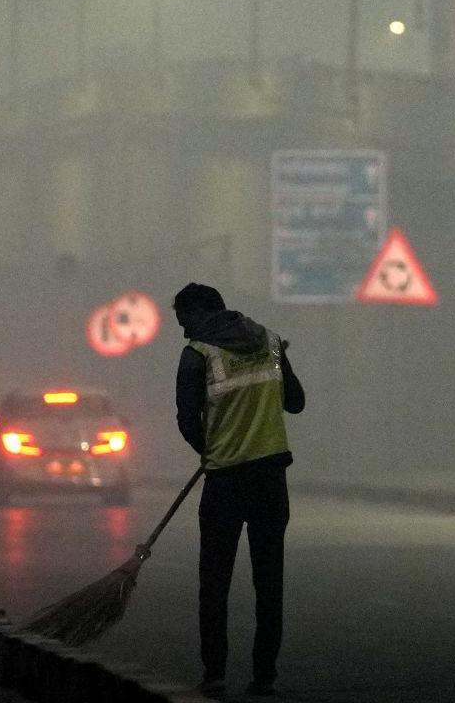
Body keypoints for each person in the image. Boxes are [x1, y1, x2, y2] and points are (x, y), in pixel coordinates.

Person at [173, 282, 306, 699]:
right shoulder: (269, 341)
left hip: (225, 482)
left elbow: (187, 419)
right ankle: (264, 677)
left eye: (184, 321)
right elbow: (297, 402)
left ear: (200, 312)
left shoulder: (196, 354)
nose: (183, 331)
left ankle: (214, 675)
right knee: (269, 583)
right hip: (270, 480)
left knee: (215, 582)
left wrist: (211, 450)